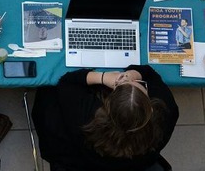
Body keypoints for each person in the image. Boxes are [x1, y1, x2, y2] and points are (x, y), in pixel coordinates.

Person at [33, 65, 178, 171]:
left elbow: (67, 82)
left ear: (106, 104)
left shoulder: (86, 118)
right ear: (150, 108)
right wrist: (134, 74)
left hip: (74, 160)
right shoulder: (165, 116)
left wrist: (103, 77)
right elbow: (150, 73)